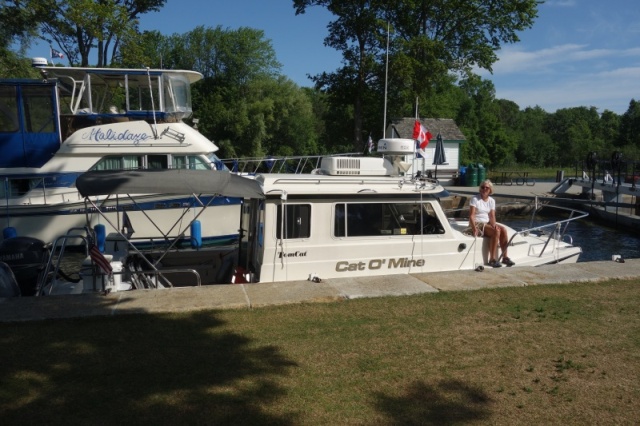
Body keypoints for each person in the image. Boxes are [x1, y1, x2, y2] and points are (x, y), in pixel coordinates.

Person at [469, 179, 515, 268]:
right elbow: (471, 215)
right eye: (483, 187)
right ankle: (492, 259)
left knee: (503, 230)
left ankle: (505, 257)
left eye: (487, 188)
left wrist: (494, 225)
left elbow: (492, 216)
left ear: (490, 190)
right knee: (496, 232)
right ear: (480, 189)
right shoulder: (475, 199)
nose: (484, 189)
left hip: (487, 222)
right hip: (478, 223)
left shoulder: (491, 201)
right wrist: (474, 228)